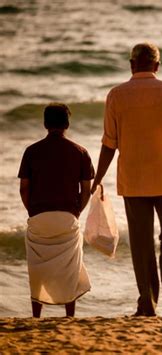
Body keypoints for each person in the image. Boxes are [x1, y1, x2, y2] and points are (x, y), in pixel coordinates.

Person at [91, 42, 162, 316]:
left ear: (132, 64)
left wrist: (97, 178)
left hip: (132, 179)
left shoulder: (116, 95)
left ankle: (147, 302)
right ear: (157, 66)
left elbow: (109, 144)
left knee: (141, 241)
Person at [18, 103, 94, 317]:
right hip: (68, 217)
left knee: (37, 267)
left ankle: (36, 315)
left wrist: (32, 211)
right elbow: (86, 190)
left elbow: (24, 188)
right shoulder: (80, 152)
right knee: (70, 267)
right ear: (67, 124)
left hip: (38, 216)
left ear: (45, 124)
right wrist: (76, 212)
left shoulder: (31, 151)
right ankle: (69, 314)